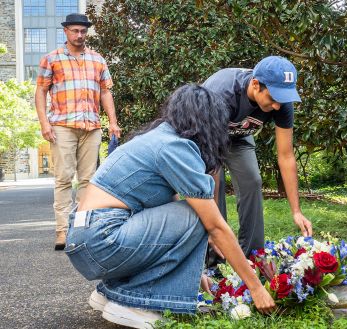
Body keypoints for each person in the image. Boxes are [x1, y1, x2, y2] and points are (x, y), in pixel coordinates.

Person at [64, 85, 276, 329]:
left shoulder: (158, 137)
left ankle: (111, 294)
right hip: (102, 238)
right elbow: (214, 225)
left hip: (88, 239)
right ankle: (135, 305)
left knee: (194, 214)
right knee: (200, 216)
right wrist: (256, 287)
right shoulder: (176, 147)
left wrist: (193, 270)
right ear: (208, 122)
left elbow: (166, 220)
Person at [203, 56, 313, 264]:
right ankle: (213, 258)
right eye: (273, 98)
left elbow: (286, 155)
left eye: (282, 99)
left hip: (239, 136)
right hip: (206, 137)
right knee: (211, 186)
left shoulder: (281, 102)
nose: (278, 106)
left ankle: (253, 257)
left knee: (252, 180)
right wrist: (212, 229)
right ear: (255, 85)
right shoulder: (221, 93)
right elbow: (211, 169)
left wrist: (296, 211)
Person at [35, 13, 121, 250]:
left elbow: (105, 92)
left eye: (83, 31)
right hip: (62, 126)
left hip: (91, 126)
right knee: (63, 179)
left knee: (88, 181)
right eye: (75, 31)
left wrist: (112, 122)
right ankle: (62, 232)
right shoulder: (51, 59)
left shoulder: (97, 59)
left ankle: (83, 232)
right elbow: (41, 92)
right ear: (66, 31)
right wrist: (44, 123)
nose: (79, 35)